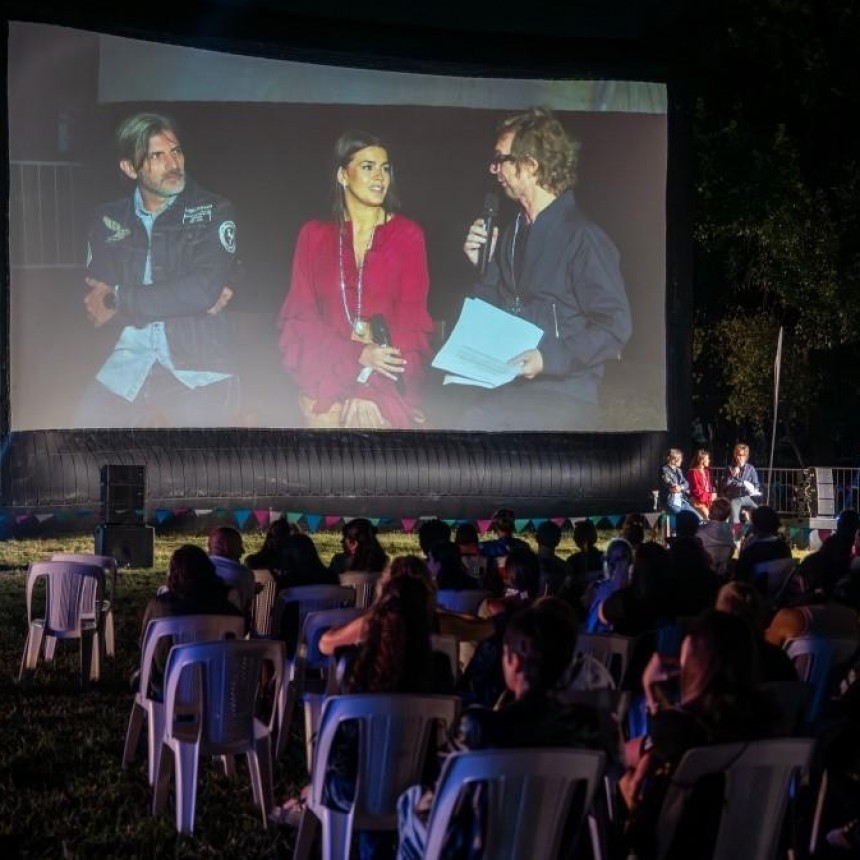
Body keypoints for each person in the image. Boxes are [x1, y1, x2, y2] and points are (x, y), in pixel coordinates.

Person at [397, 599, 612, 860]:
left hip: (482, 848)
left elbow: (437, 801)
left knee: (411, 802)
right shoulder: (586, 729)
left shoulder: (479, 727)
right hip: (553, 849)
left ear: (514, 660)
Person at [460, 107, 631, 431]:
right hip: (509, 389)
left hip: (565, 395)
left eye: (501, 159)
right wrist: (483, 268)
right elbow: (492, 311)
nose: (493, 168)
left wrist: (549, 359)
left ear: (530, 165)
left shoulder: (583, 238)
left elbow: (615, 326)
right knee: (467, 430)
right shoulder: (512, 233)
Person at [75, 112, 239, 428]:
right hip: (125, 366)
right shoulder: (108, 218)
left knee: (194, 469)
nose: (173, 164)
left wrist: (120, 299)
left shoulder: (212, 210)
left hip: (195, 367)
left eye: (176, 151)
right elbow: (95, 301)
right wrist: (182, 299)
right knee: (71, 446)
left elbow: (201, 290)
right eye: (157, 156)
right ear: (129, 167)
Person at [278, 130, 433, 429]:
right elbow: (300, 320)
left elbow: (411, 327)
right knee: (321, 418)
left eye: (385, 168)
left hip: (387, 380)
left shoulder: (408, 236)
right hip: (327, 370)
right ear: (342, 175)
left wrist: (367, 389)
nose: (380, 177)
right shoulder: (313, 236)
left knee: (369, 425)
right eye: (367, 167)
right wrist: (356, 357)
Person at [620, 610, 783, 859]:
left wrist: (651, 691)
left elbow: (632, 751)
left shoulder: (681, 733)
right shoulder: (771, 722)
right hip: (754, 846)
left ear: (694, 660)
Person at [138, 544, 243, 700]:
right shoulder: (229, 611)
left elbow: (146, 645)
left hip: (169, 689)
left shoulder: (160, 607)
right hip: (218, 690)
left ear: (173, 572)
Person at [207, 526, 255, 625]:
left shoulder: (196, 569)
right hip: (232, 636)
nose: (243, 551)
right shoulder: (243, 574)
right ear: (226, 547)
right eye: (239, 546)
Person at [722, 442, 762, 524]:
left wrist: (753, 489)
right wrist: (732, 475)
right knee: (735, 507)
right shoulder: (729, 468)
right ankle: (735, 532)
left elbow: (756, 484)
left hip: (746, 497)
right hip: (733, 497)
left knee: (758, 513)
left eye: (743, 455)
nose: (740, 458)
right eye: (738, 455)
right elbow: (724, 486)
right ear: (735, 455)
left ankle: (750, 532)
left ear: (746, 456)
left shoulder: (750, 469)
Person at [659, 448, 702, 522]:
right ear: (675, 459)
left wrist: (680, 487)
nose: (682, 460)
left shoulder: (678, 470)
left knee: (699, 519)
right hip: (670, 502)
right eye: (680, 458)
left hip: (682, 501)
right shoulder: (664, 470)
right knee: (684, 520)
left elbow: (686, 483)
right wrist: (675, 487)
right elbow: (671, 485)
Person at [686, 448, 716, 520]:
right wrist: (709, 497)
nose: (709, 460)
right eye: (707, 458)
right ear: (701, 460)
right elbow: (697, 490)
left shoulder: (706, 472)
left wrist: (711, 497)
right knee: (707, 515)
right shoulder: (693, 472)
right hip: (697, 500)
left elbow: (709, 487)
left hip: (706, 500)